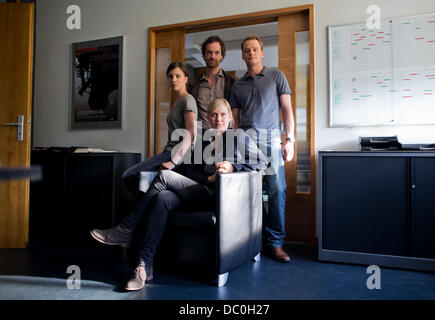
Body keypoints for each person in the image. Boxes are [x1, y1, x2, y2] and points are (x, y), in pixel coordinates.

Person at [90, 98, 267, 291]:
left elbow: (262, 162)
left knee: (164, 176)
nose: (218, 119)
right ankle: (144, 266)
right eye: (214, 115)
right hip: (198, 191)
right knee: (162, 198)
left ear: (230, 117)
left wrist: (233, 166)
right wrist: (208, 178)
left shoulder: (239, 137)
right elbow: (188, 172)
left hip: (220, 199)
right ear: (208, 117)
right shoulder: (203, 141)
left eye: (223, 114)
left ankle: (127, 227)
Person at [229, 34, 295, 263]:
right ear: (243, 55)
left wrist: (291, 140)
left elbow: (287, 109)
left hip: (272, 142)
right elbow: (235, 120)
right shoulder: (237, 85)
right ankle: (250, 242)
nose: (251, 53)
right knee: (248, 193)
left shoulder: (276, 76)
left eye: (254, 49)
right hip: (246, 144)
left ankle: (275, 243)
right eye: (246, 50)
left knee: (276, 190)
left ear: (262, 52)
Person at [122, 62, 197, 198]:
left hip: (176, 155)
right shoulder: (177, 101)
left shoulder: (188, 100)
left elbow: (191, 134)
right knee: (144, 182)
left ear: (186, 78)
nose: (173, 79)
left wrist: (174, 161)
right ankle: (148, 208)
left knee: (129, 175)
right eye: (170, 76)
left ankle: (144, 209)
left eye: (177, 76)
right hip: (168, 152)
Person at [188, 35, 237, 129]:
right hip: (200, 137)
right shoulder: (192, 83)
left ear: (222, 55)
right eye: (209, 52)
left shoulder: (232, 82)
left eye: (216, 52)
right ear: (203, 55)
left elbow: (236, 112)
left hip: (224, 136)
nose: (212, 56)